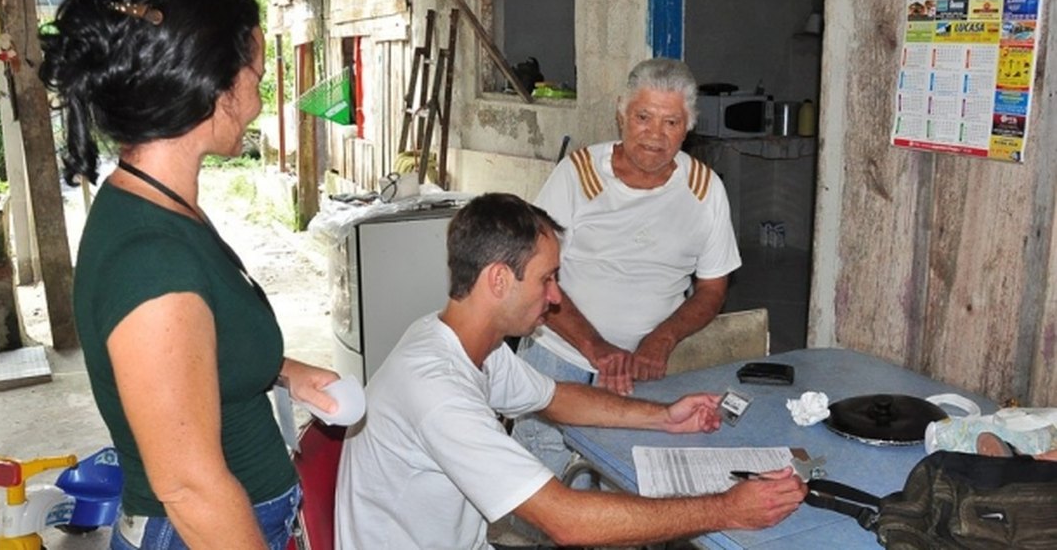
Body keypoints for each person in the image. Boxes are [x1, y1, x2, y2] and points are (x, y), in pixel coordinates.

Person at [39, 0, 341, 550]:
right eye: (256, 74)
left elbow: (188, 352)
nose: (259, 96)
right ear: (213, 89)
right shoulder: (152, 261)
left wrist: (283, 370)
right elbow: (189, 487)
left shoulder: (154, 203)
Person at [335, 193, 805, 549]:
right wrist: (729, 509)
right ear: (498, 280)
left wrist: (662, 416)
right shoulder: (436, 391)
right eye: (546, 278)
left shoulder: (466, 343)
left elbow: (555, 397)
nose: (556, 297)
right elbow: (567, 521)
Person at [513, 58, 741, 478]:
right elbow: (532, 275)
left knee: (630, 485)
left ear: (688, 127)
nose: (655, 135)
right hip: (560, 359)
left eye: (671, 122)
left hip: (646, 371)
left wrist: (662, 339)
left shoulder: (706, 189)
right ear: (621, 113)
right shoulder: (577, 175)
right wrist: (596, 348)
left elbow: (712, 287)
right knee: (543, 486)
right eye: (643, 117)